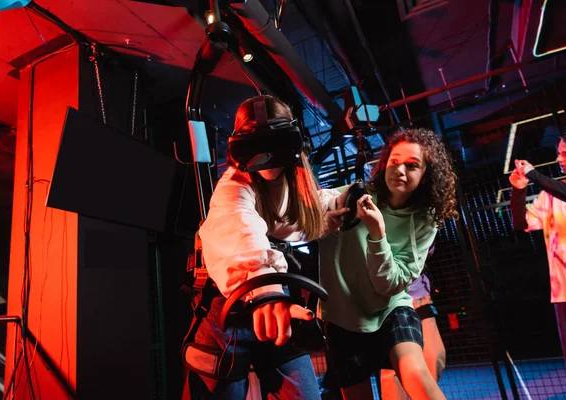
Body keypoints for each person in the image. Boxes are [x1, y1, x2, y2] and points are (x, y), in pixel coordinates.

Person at [181, 94, 346, 399]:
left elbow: (310, 211)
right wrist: (266, 288)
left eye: (277, 143)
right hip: (227, 311)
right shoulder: (235, 186)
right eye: (255, 146)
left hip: (278, 310)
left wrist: (350, 200)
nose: (267, 156)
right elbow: (240, 228)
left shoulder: (296, 184)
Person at [319, 127, 458, 399]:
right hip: (342, 315)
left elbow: (390, 284)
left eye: (412, 165)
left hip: (391, 308)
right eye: (394, 161)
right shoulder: (356, 196)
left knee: (418, 374)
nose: (400, 170)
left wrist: (378, 233)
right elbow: (313, 202)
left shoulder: (426, 219)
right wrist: (323, 214)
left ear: (427, 174)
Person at [509, 131, 566, 374]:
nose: (558, 158)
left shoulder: (559, 190)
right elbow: (520, 223)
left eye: (564, 153)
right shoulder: (550, 195)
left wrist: (533, 174)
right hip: (563, 292)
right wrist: (518, 190)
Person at [381, 243, 447, 400]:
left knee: (434, 355)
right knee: (394, 367)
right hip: (391, 302)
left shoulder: (421, 224)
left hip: (419, 300)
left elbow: (428, 249)